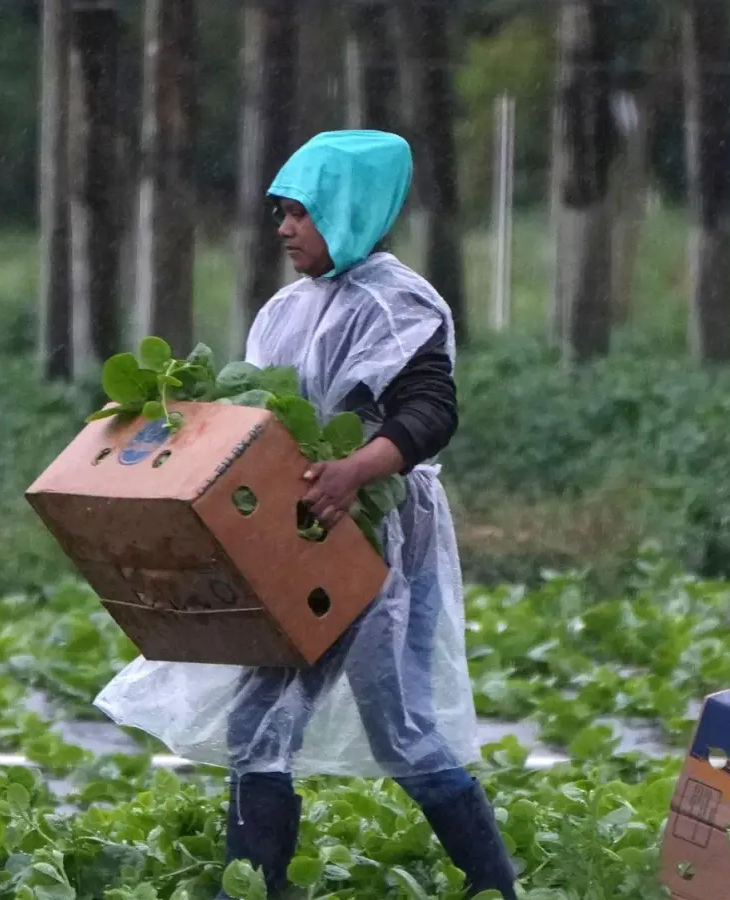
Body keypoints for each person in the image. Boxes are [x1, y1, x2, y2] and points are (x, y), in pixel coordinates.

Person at [95, 131, 517, 899]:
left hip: (372, 540)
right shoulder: (287, 309)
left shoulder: (400, 304)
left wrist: (356, 469)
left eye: (300, 213)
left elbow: (429, 411)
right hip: (294, 538)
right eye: (281, 212)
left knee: (394, 730)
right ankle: (256, 888)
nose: (283, 228)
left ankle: (494, 886)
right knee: (272, 723)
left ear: (348, 212)